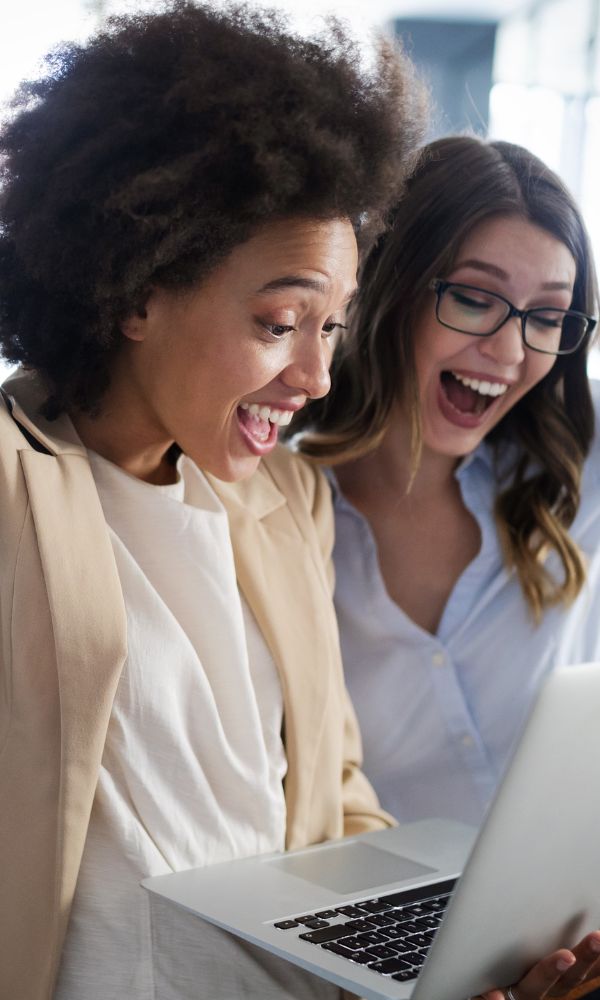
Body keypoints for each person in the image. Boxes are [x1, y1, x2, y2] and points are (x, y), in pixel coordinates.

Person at [0, 4, 427, 998]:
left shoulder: (289, 503)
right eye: (281, 321)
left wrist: (455, 939)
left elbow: (333, 794)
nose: (316, 376)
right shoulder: (14, 488)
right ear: (138, 290)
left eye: (334, 325)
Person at [293, 134, 600, 998]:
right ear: (390, 288)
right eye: (474, 299)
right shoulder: (277, 504)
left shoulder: (576, 469)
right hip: (374, 957)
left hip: (568, 930)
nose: (511, 352)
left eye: (548, 315)